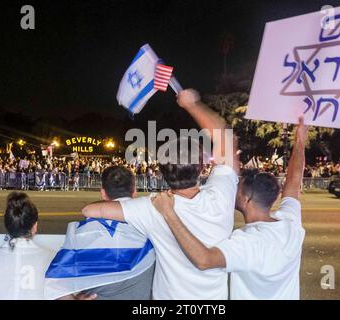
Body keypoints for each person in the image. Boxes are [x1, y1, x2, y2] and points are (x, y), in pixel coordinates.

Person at [81, 88, 240, 299]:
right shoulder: (221, 193)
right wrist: (192, 104)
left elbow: (90, 209)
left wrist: (133, 203)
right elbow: (224, 134)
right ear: (202, 167)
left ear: (162, 172)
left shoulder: (151, 207)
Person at [151, 116, 309, 300]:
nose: (231, 189)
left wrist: (169, 213)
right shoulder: (290, 222)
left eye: (236, 186)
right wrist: (300, 140)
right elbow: (294, 180)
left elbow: (204, 260)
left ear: (245, 198)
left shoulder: (247, 242)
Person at [45, 166, 155, 300]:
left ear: (103, 193)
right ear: (135, 192)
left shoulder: (81, 233)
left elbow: (56, 284)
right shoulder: (151, 225)